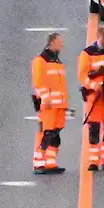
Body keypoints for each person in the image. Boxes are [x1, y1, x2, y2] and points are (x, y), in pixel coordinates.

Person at [78, 26, 104, 172]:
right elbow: (82, 75)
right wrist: (95, 85)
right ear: (100, 36)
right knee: (93, 129)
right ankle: (93, 162)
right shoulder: (87, 53)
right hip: (94, 97)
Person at [31, 32, 69, 175]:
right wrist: (46, 99)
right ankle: (39, 163)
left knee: (55, 134)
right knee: (46, 133)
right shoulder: (41, 60)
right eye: (60, 42)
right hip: (49, 105)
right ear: (52, 42)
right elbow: (38, 82)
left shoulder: (56, 61)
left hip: (59, 105)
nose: (62, 44)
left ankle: (50, 162)